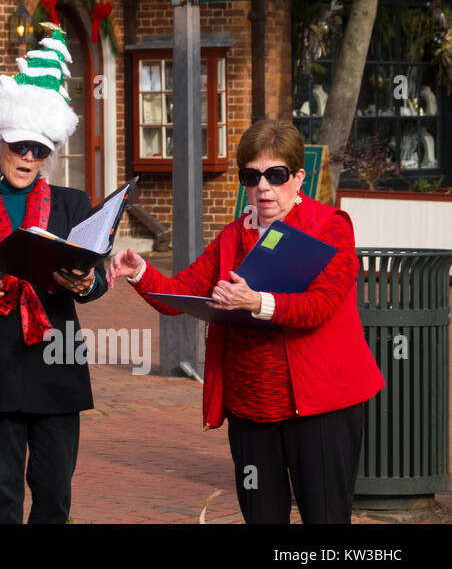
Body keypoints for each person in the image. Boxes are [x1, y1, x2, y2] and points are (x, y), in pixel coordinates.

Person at [107, 119, 385, 524]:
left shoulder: (329, 226)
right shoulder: (234, 236)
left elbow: (321, 306)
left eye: (276, 175)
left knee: (326, 519)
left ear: (299, 176)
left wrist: (257, 302)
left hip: (319, 408)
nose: (264, 187)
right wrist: (139, 272)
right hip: (251, 408)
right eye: (252, 176)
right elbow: (178, 296)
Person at [0, 25, 107, 523]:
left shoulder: (73, 204)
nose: (28, 158)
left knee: (54, 494)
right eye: (19, 147)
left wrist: (87, 283)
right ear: (0, 145)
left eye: (38, 149)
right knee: (0, 496)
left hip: (55, 363)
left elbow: (93, 279)